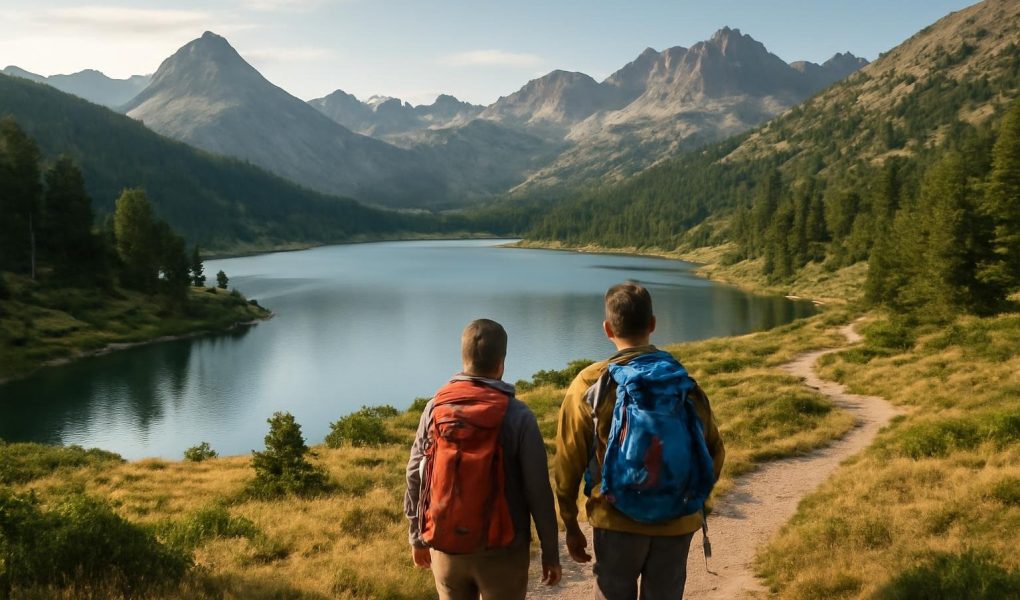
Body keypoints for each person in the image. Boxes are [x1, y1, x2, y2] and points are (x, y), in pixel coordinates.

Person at [553, 283, 726, 600]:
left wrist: (570, 522)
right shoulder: (678, 379)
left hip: (615, 519)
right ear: (652, 324)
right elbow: (714, 450)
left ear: (607, 329)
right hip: (677, 519)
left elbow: (568, 463)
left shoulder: (590, 383)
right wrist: (690, 499)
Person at [405, 318, 562, 600]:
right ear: (501, 363)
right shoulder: (518, 415)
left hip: (446, 544)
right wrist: (550, 552)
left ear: (464, 360)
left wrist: (416, 537)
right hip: (503, 550)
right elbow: (537, 490)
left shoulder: (434, 408)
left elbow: (415, 473)